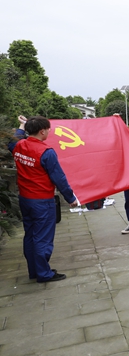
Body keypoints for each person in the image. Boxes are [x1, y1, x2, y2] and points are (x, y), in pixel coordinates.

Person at [8, 115, 78, 282]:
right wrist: (71, 198)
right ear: (42, 131)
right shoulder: (46, 152)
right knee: (43, 238)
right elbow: (59, 178)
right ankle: (44, 274)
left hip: (25, 199)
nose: (49, 132)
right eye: (48, 129)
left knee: (30, 235)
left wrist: (21, 126)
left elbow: (14, 139)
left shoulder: (18, 146)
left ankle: (35, 270)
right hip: (42, 201)